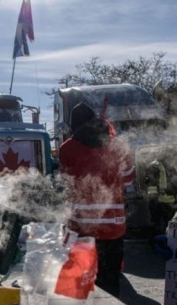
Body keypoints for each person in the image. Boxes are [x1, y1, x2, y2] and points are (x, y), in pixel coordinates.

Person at [59, 102, 135, 297]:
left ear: (73, 125)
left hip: (81, 227)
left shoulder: (67, 148)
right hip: (113, 227)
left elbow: (66, 184)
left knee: (81, 286)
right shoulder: (119, 146)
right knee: (109, 285)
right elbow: (128, 179)